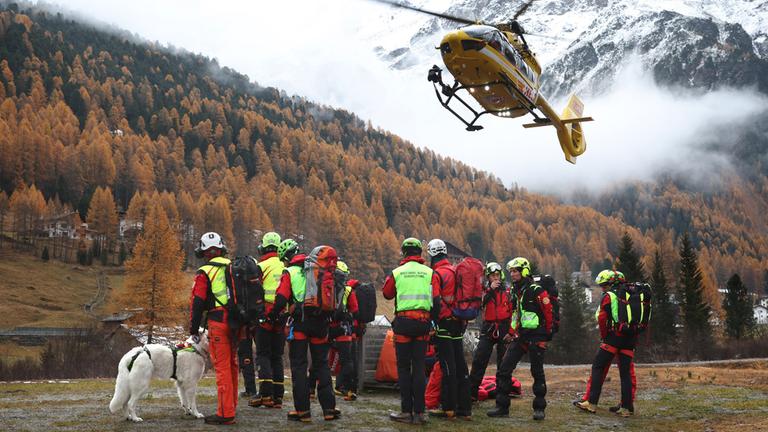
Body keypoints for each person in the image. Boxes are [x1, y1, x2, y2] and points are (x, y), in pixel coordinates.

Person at [271, 240, 340, 422]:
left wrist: (272, 315)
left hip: (301, 324)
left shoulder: (290, 272)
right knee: (321, 365)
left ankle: (303, 411)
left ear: (286, 259)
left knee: (299, 367)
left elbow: (280, 299)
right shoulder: (320, 269)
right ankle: (329, 410)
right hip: (321, 323)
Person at [381, 237, 441, 425]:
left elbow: (386, 294)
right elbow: (437, 301)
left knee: (404, 369)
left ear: (404, 252)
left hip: (403, 325)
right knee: (419, 367)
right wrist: (432, 322)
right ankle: (420, 413)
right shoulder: (430, 273)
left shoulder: (397, 272)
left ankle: (406, 411)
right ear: (420, 253)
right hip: (423, 325)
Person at [487, 257, 552, 421]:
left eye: (515, 271)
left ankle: (539, 409)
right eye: (511, 272)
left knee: (537, 372)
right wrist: (511, 332)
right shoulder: (516, 292)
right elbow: (515, 314)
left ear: (524, 271)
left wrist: (546, 334)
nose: (512, 274)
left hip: (536, 337)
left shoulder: (536, 290)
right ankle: (502, 406)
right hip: (521, 336)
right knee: (504, 369)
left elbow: (548, 313)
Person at [188, 232, 238, 425]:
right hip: (236, 323)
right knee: (233, 365)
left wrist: (194, 328)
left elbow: (198, 302)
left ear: (204, 251)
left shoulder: (204, 272)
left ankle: (225, 413)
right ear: (221, 248)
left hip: (218, 323)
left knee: (223, 367)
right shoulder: (233, 266)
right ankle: (231, 405)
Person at [574, 270, 637, 417]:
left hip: (613, 338)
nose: (602, 288)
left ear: (611, 283)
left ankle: (591, 403)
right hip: (630, 339)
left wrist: (605, 336)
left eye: (604, 285)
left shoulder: (609, 296)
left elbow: (602, 318)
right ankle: (626, 408)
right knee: (626, 374)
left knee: (598, 367)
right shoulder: (634, 295)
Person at [426, 239, 472, 420]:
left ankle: (448, 408)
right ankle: (465, 409)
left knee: (447, 366)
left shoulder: (437, 273)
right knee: (461, 365)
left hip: (444, 323)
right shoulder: (456, 271)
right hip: (459, 323)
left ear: (431, 255)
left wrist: (434, 322)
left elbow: (435, 301)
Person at [249, 232, 286, 409]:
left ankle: (265, 394)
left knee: (263, 354)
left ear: (262, 247)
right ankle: (278, 396)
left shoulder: (260, 266)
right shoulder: (285, 266)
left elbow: (254, 292)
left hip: (264, 315)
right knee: (277, 356)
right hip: (281, 316)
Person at [469, 262, 513, 400]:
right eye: (492, 276)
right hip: (488, 327)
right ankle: (471, 393)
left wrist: (512, 331)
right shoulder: (484, 291)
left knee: (504, 362)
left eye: (497, 275)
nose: (495, 278)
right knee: (479, 359)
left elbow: (514, 311)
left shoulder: (508, 291)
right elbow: (479, 304)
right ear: (488, 277)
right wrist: (490, 290)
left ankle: (502, 394)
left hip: (504, 327)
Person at [328, 261, 360, 401]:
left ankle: (311, 388)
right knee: (347, 360)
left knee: (320, 357)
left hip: (327, 326)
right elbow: (355, 310)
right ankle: (347, 388)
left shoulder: (326, 286)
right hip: (343, 329)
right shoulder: (348, 290)